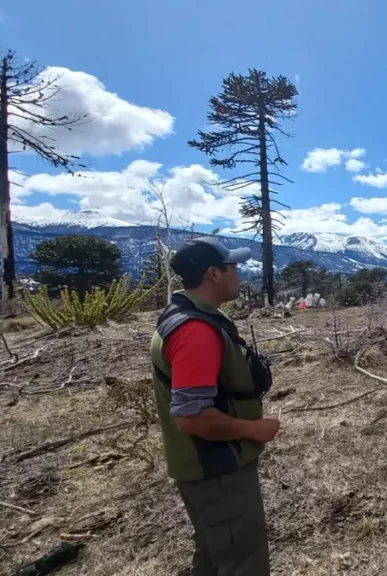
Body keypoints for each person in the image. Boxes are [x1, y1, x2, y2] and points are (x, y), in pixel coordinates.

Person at [150, 238, 280, 575]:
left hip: (205, 469)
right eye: (232, 266)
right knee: (243, 562)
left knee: (213, 555)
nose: (238, 273)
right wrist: (254, 429)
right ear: (213, 274)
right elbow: (192, 417)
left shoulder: (188, 317)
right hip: (217, 470)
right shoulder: (195, 331)